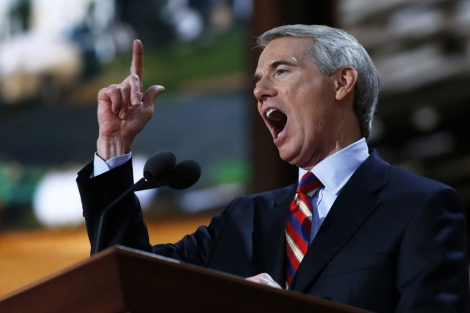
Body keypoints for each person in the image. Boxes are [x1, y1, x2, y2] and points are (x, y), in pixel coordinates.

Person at [76, 25, 470, 312]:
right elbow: (129, 280)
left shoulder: (419, 207)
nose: (260, 90)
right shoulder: (242, 220)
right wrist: (115, 143)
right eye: (258, 79)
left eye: (281, 71)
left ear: (342, 83)